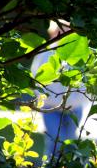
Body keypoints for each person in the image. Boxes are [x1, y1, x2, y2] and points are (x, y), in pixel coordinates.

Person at [31, 21, 84, 159]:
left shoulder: (78, 55)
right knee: (55, 142)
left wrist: (78, 101)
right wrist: (44, 101)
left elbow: (84, 81)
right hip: (51, 109)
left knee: (69, 144)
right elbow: (37, 79)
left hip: (74, 109)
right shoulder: (46, 54)